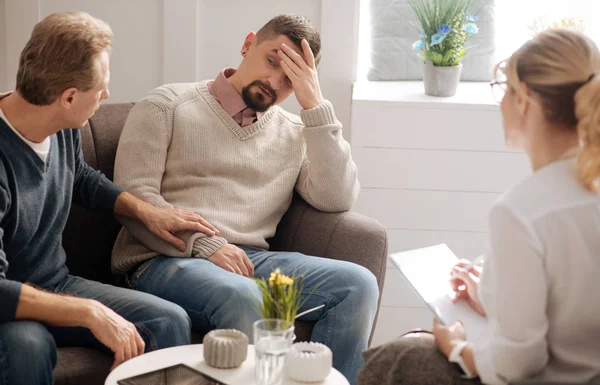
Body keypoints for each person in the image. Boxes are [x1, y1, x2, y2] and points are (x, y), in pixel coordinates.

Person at [111, 14, 379, 385]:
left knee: (358, 285)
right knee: (244, 296)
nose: (274, 82)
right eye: (272, 60)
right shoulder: (167, 105)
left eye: (291, 78)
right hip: (165, 259)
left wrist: (315, 106)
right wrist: (207, 246)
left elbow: (337, 198)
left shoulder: (296, 133)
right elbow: (134, 196)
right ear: (248, 42)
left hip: (251, 262)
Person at [357, 28, 600, 385]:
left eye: (502, 89)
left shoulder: (520, 212)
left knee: (406, 353)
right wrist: (494, 298)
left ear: (524, 100)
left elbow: (518, 363)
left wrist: (455, 346)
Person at [0, 12, 217, 385]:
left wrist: (148, 212)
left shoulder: (60, 123)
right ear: (68, 97)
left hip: (55, 284)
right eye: (101, 86)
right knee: (28, 347)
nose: (106, 95)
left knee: (168, 320)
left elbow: (81, 178)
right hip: (10, 308)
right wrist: (89, 312)